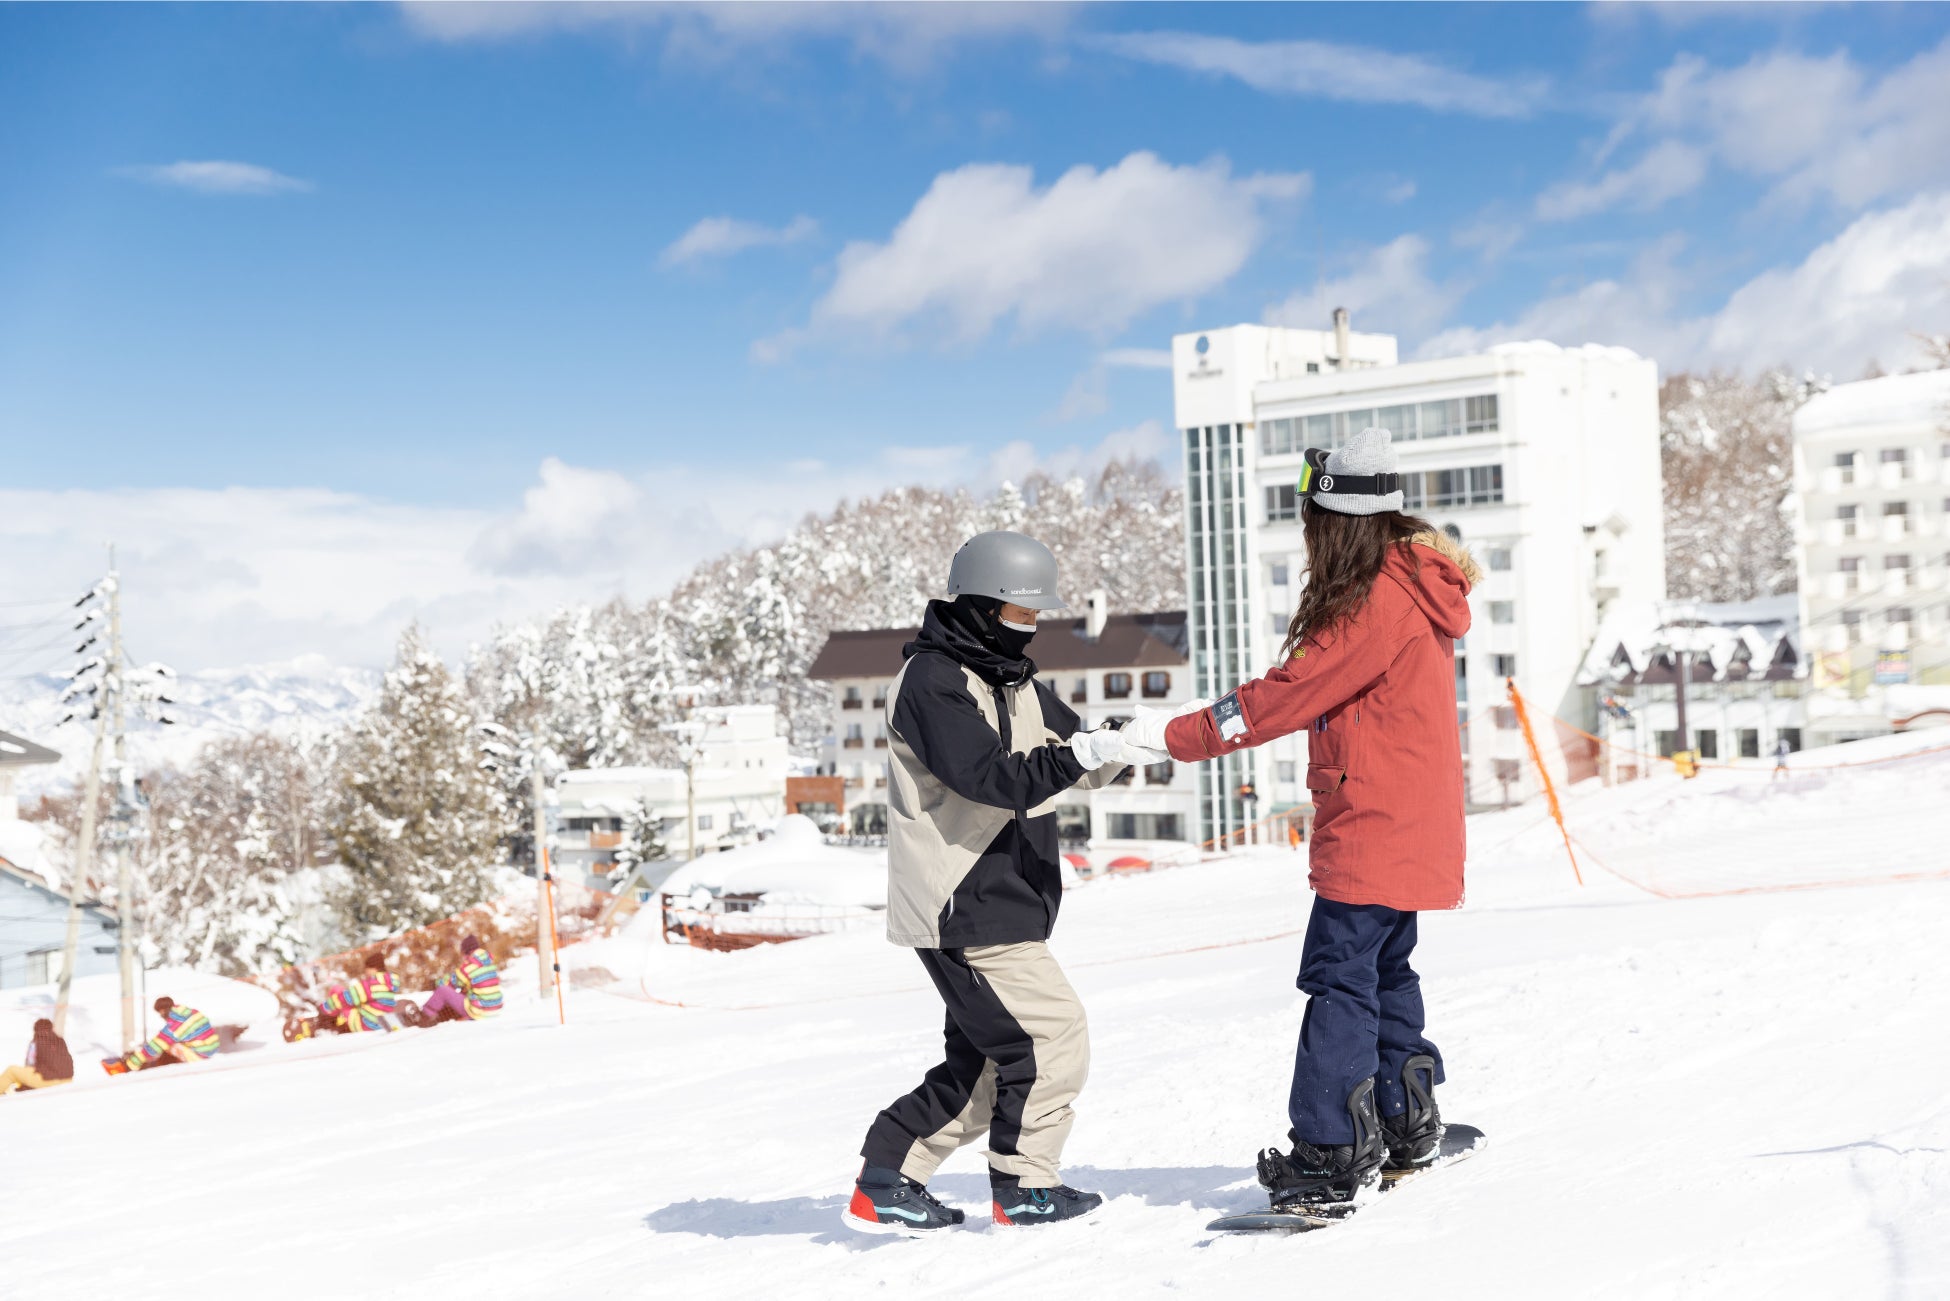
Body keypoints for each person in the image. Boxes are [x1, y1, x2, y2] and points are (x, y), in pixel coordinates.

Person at [1125, 427, 1478, 1212]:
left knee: (1338, 980)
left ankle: (1331, 1147)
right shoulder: (1411, 581)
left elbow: (1282, 695)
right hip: (1412, 826)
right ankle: (1404, 1119)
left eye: (1312, 516)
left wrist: (1172, 734)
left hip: (1374, 826)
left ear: (1337, 517)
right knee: (1385, 971)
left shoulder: (1374, 602)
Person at [843, 530, 1187, 1236]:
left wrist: (1127, 740)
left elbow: (1069, 752)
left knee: (988, 1066)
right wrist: (1083, 753)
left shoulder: (1012, 676)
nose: (1032, 630)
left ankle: (887, 1177)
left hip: (1008, 896)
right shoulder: (934, 682)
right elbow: (992, 778)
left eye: (1036, 618)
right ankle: (1026, 1184)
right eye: (1021, 614)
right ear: (981, 604)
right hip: (961, 900)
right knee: (1052, 1034)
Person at [102, 997, 221, 1074]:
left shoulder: (175, 1025)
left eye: (160, 1013)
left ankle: (164, 1068)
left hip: (201, 1055)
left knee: (168, 1046)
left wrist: (131, 1064)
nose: (161, 1016)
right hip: (211, 1048)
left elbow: (157, 1044)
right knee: (170, 1043)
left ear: (163, 1010)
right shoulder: (187, 1012)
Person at [417, 934, 502, 1024]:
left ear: (466, 951)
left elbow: (450, 983)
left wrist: (436, 983)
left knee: (443, 990)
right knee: (464, 991)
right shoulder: (489, 963)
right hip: (495, 1009)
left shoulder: (469, 967)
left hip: (479, 1011)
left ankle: (424, 1017)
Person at [317, 952, 403, 1034]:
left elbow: (347, 997)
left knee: (337, 990)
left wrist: (324, 1007)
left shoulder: (371, 984)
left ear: (374, 968)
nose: (366, 972)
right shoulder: (388, 982)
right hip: (380, 1023)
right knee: (352, 1001)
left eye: (367, 969)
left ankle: (327, 1021)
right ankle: (333, 1018)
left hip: (365, 1023)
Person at [2, 1018, 75, 1094]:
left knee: (11, 1070)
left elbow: (30, 1064)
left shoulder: (37, 1041)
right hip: (68, 1080)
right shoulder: (59, 1040)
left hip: (49, 1081)